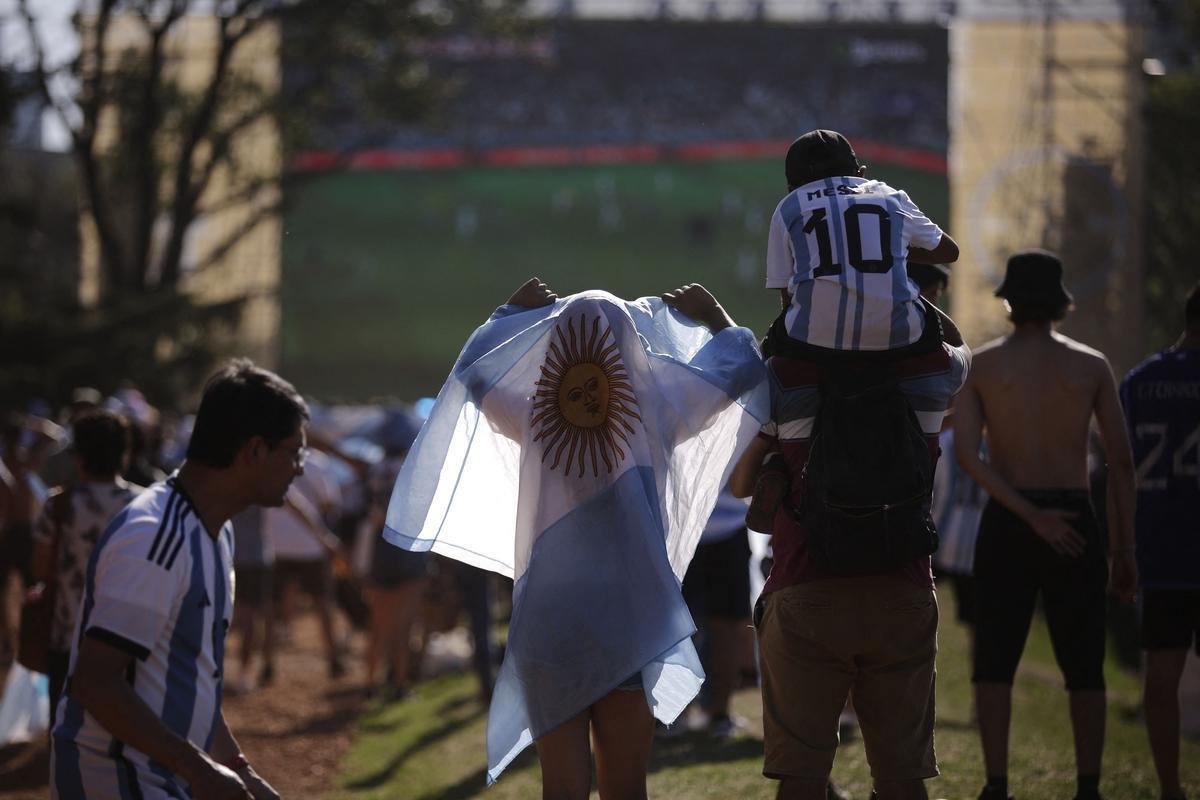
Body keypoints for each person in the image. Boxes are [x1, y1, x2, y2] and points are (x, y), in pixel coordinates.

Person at [383, 278, 769, 799]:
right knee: (625, 786)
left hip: (551, 615)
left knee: (561, 787)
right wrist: (715, 313)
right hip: (632, 612)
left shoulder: (531, 412)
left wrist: (507, 313)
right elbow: (743, 370)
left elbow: (473, 372)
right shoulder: (662, 405)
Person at [50, 359, 305, 800]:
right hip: (118, 782)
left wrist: (239, 770)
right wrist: (199, 770)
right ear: (254, 451)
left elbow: (190, 678)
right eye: (294, 451)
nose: (299, 467)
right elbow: (95, 682)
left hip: (160, 778)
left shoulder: (214, 529)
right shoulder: (154, 536)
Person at [954, 249, 1137, 800]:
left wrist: (1030, 515)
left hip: (1009, 517)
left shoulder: (982, 366)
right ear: (1061, 304)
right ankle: (1088, 786)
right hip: (1073, 517)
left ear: (1008, 302)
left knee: (994, 661)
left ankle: (996, 784)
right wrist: (1123, 551)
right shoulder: (1090, 365)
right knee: (1084, 663)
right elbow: (1121, 463)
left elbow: (968, 457)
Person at [1120, 282, 1200, 800]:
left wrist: (1121, 549)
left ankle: (1171, 788)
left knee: (1161, 679)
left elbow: (1119, 469)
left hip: (1161, 547)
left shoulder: (1139, 381)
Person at [32, 409, 143, 724]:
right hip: (129, 641)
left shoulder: (58, 504)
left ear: (78, 458)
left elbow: (40, 569)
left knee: (64, 727)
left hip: (68, 637)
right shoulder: (145, 505)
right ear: (124, 455)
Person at [681, 486, 753, 738]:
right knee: (721, 626)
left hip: (693, 525)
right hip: (688, 526)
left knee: (720, 626)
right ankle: (712, 714)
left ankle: (712, 714)